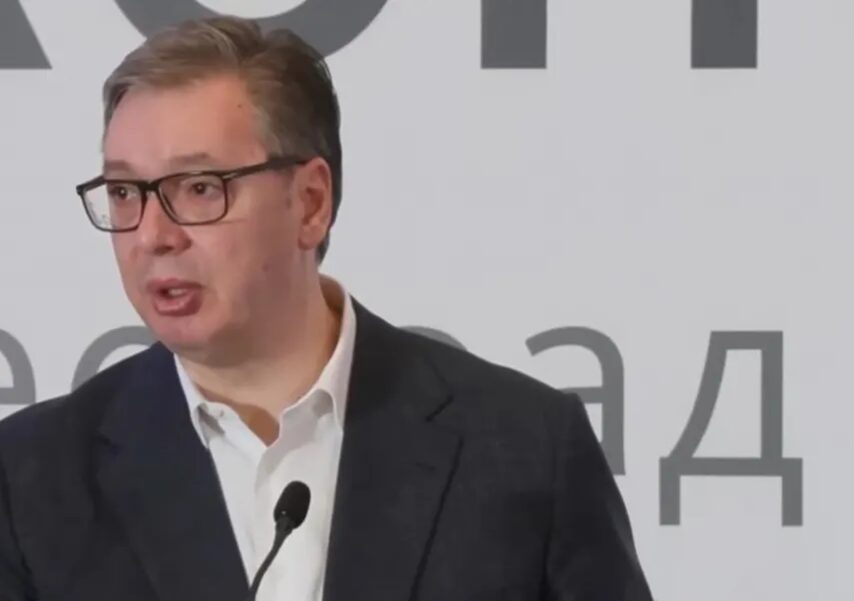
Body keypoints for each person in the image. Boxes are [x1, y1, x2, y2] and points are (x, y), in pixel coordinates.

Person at [0, 16, 652, 601]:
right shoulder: (32, 478)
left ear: (311, 202)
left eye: (198, 188)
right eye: (124, 192)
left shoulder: (526, 450)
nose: (151, 236)